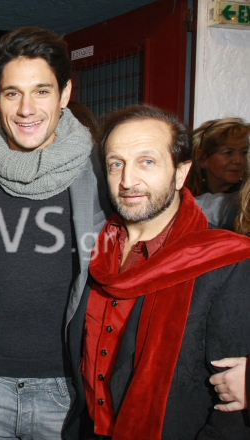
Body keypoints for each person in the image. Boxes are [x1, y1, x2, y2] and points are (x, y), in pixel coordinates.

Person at [0, 26, 110, 439]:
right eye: (13, 93)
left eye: (42, 91)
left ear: (65, 94)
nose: (27, 108)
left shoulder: (100, 174)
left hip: (65, 390)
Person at [80, 104, 250, 439]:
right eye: (116, 164)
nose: (128, 181)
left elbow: (230, 409)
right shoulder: (92, 249)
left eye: (147, 161)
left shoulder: (227, 263)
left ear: (181, 172)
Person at [186, 118, 249, 196]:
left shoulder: (246, 199)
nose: (238, 160)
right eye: (228, 152)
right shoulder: (184, 196)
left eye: (244, 152)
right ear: (202, 158)